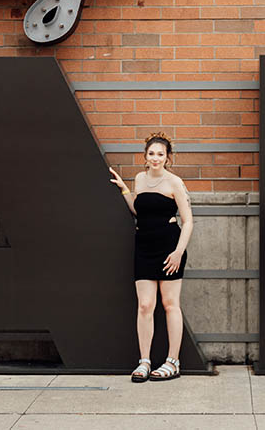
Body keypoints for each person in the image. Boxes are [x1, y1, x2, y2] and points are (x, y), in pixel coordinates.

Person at [109, 133, 193, 382]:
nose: (156, 158)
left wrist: (178, 252)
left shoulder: (175, 182)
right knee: (145, 305)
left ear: (168, 158)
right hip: (144, 246)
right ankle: (144, 361)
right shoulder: (139, 178)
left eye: (161, 154)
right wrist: (125, 189)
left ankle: (172, 362)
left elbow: (188, 221)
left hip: (169, 247)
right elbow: (139, 210)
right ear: (145, 156)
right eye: (152, 153)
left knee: (170, 304)